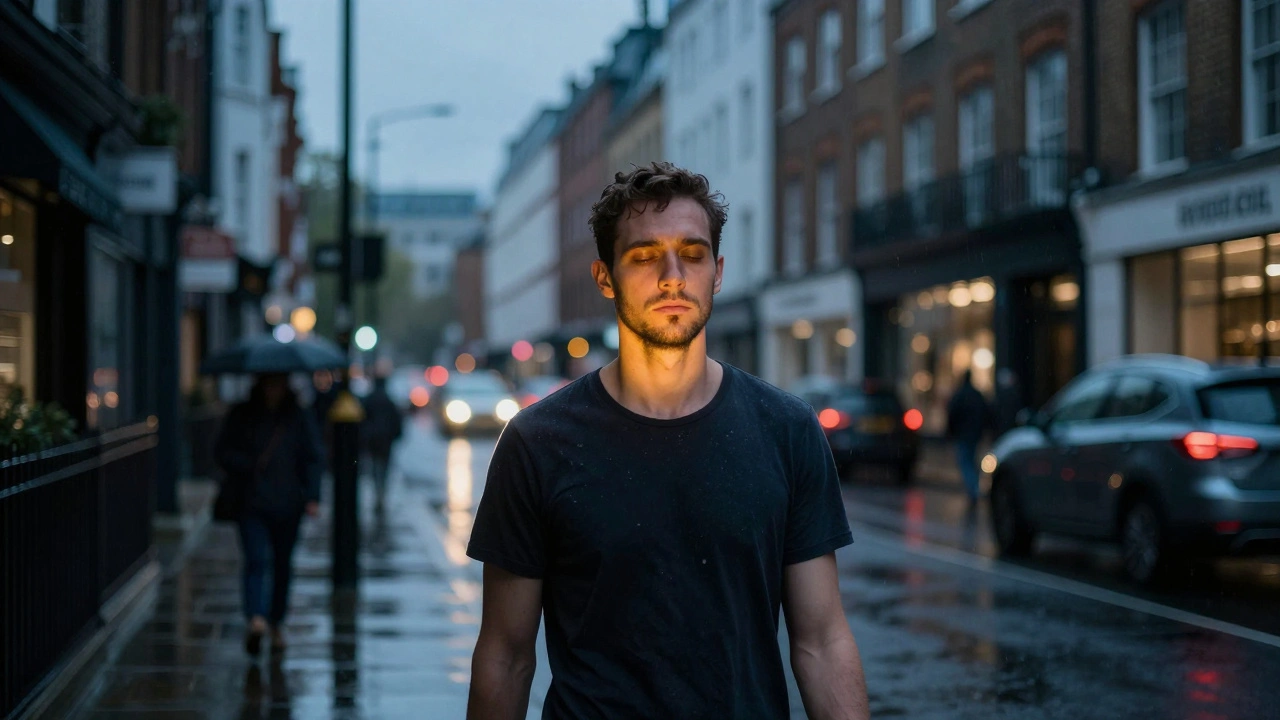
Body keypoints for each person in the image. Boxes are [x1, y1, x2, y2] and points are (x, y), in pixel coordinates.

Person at [466, 163, 869, 720]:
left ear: (717, 273)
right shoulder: (537, 443)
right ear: (605, 277)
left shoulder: (787, 430)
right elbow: (506, 657)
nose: (673, 276)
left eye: (693, 254)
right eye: (644, 256)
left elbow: (821, 642)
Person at [214, 373, 324, 657]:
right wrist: (247, 464)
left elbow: (313, 456)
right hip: (251, 502)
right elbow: (222, 452)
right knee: (256, 560)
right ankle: (256, 618)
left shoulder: (298, 416)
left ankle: (275, 621)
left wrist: (312, 495)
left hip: (288, 504)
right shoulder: (242, 414)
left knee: (282, 565)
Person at [947, 369, 992, 504]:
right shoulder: (976, 395)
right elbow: (986, 413)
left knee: (966, 461)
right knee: (971, 460)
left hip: (963, 434)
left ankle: (973, 489)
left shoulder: (960, 395)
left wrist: (951, 431)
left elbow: (952, 414)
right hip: (974, 434)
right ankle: (974, 488)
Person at [360, 374, 403, 510]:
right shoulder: (389, 401)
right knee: (384, 469)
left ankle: (378, 493)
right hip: (385, 442)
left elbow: (362, 420)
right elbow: (397, 422)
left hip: (372, 441)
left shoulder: (369, 400)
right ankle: (381, 493)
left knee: (374, 468)